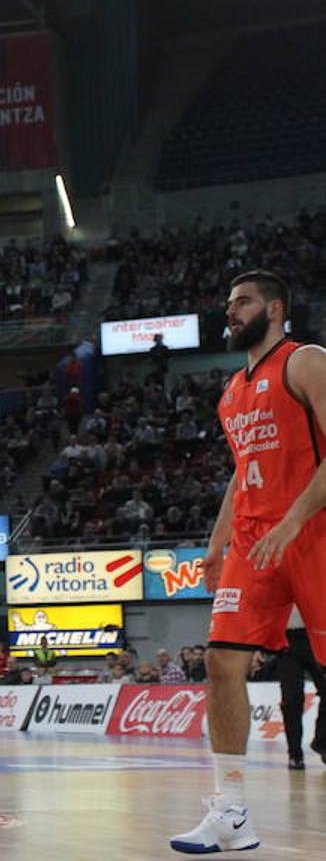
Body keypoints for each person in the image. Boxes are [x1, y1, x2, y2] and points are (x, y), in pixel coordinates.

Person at [171, 270, 326, 854]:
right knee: (220, 662)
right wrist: (217, 542)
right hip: (256, 543)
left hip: (313, 532)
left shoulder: (306, 360)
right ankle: (231, 811)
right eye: (228, 301)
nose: (231, 311)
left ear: (276, 308)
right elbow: (243, 473)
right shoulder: (233, 391)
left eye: (243, 301)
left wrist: (292, 522)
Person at [278, 608, 326, 770]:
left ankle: (322, 741)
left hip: (317, 633)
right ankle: (295, 754)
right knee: (291, 699)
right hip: (286, 639)